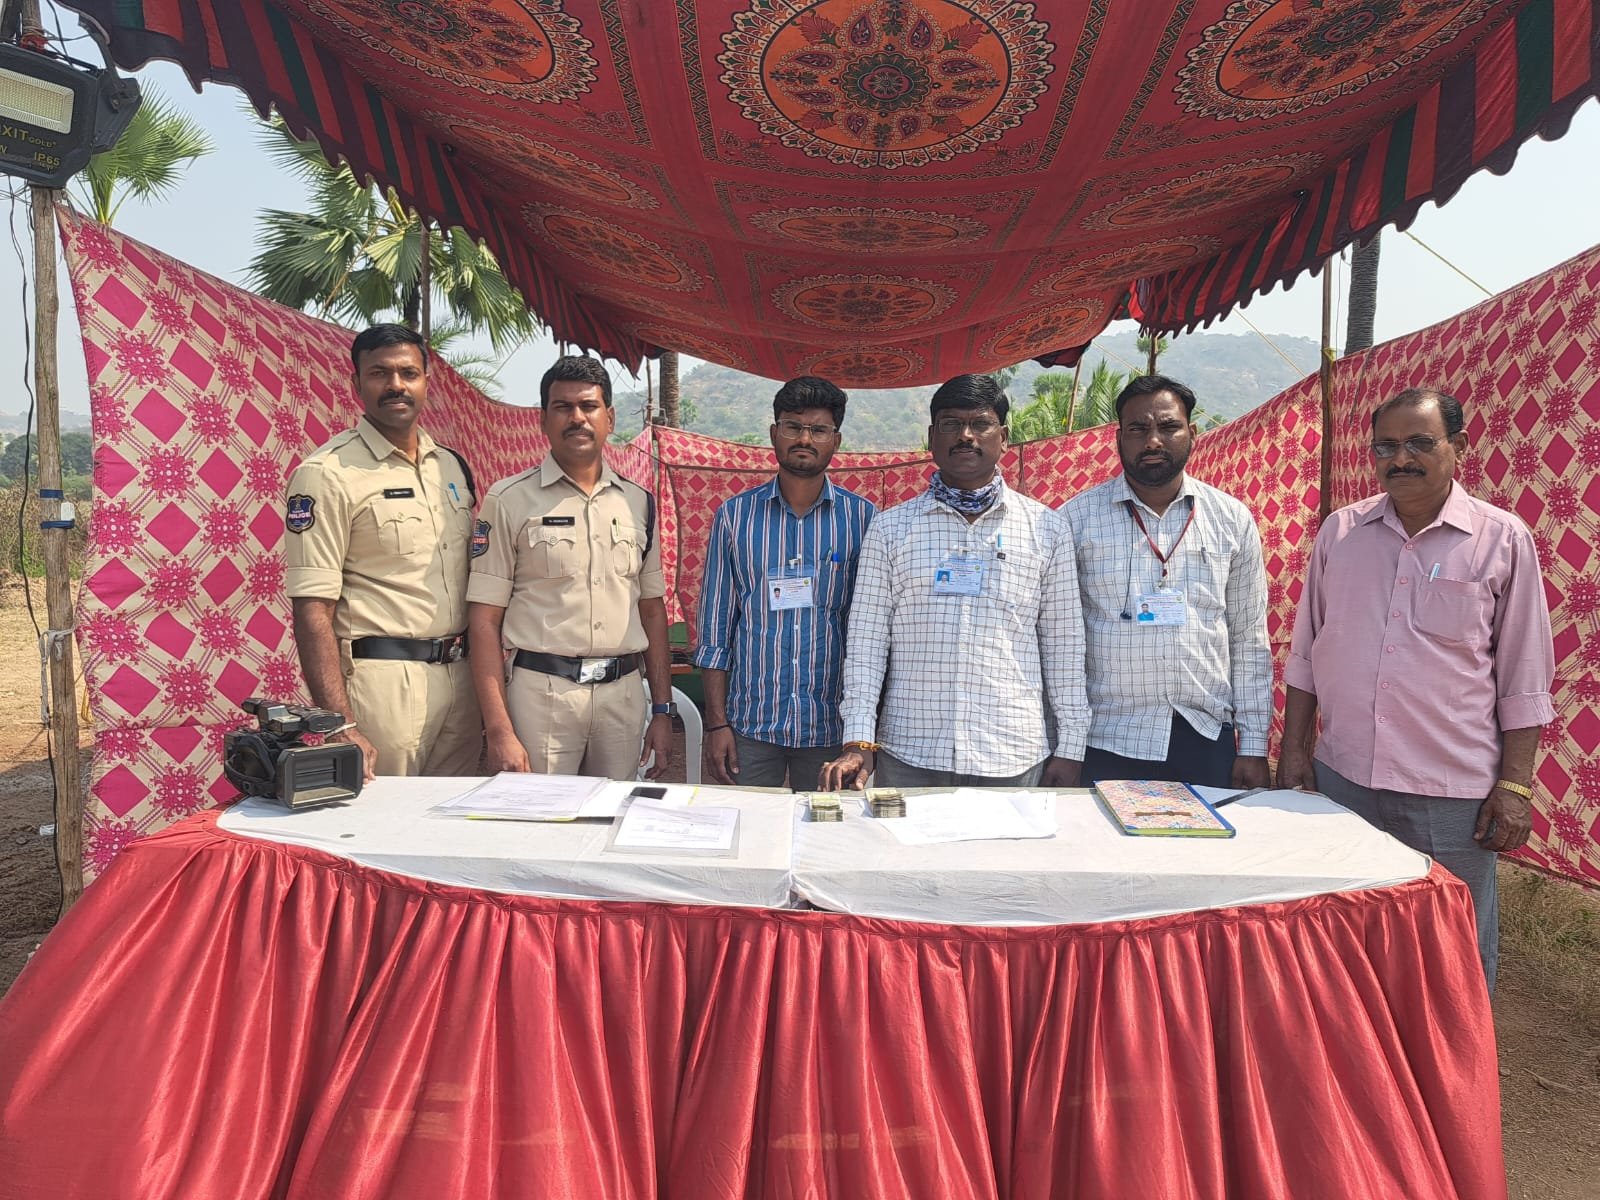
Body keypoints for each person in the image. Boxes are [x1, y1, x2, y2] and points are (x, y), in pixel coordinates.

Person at [1278, 387, 1554, 990]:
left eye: (1419, 443)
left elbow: (1525, 677)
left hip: (1451, 793)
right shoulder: (1340, 533)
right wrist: (1294, 751)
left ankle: (1456, 1052)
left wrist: (1514, 785)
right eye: (1386, 446)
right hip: (1344, 779)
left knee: (1449, 951)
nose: (1400, 459)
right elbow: (1307, 653)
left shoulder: (1502, 539)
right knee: (1344, 939)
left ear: (1459, 446)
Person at [820, 374, 1088, 791]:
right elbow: (866, 643)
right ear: (932, 437)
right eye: (951, 424)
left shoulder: (1046, 529)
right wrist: (859, 740)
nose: (965, 435)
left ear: (1003, 437)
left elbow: (1064, 644)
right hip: (910, 751)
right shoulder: (890, 530)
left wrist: (1071, 746)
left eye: (980, 424)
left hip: (1011, 751)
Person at [284, 323, 481, 779]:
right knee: (385, 816)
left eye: (408, 373)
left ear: (427, 381)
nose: (396, 385)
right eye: (379, 373)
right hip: (385, 685)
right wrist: (339, 722)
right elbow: (313, 607)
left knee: (454, 813)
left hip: (460, 677)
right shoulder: (326, 474)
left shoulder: (450, 466)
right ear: (357, 384)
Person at [467, 355, 674, 779]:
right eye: (562, 407)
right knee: (539, 814)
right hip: (542, 696)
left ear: (609, 417)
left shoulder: (638, 503)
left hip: (622, 696)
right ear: (543, 420)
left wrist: (662, 709)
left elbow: (652, 611)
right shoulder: (508, 500)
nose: (577, 418)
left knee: (612, 812)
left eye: (588, 406)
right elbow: (484, 620)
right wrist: (499, 728)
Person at [1061, 375, 1271, 789]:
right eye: (1138, 429)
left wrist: (1253, 745)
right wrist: (1066, 745)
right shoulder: (1074, 521)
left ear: (1192, 432)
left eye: (1168, 427)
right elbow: (1062, 642)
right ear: (1119, 438)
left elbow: (1248, 637)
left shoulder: (1231, 519)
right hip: (1106, 739)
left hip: (1205, 737)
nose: (1153, 441)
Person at [693, 377, 875, 789]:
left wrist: (862, 737)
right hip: (751, 724)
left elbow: (871, 633)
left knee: (827, 826)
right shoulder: (734, 517)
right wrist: (717, 723)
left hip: (830, 728)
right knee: (748, 824)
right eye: (793, 426)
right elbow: (715, 629)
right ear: (774, 433)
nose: (805, 439)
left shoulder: (863, 520)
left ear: (836, 440)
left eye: (819, 430)